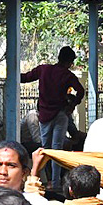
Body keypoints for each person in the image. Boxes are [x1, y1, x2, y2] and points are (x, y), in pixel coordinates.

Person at [21, 46, 86, 190]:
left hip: (45, 114)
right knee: (57, 150)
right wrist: (72, 104)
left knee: (45, 149)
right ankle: (55, 184)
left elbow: (25, 78)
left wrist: (11, 75)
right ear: (69, 61)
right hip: (61, 113)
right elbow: (81, 91)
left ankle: (42, 180)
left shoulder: (43, 69)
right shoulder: (67, 75)